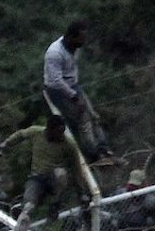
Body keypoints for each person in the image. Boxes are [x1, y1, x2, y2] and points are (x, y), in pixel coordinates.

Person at [43, 22, 112, 161]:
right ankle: (95, 156)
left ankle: (104, 148)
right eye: (80, 38)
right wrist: (74, 97)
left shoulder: (75, 48)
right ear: (70, 37)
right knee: (82, 121)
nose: (83, 42)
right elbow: (55, 80)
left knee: (93, 116)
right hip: (58, 90)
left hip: (73, 85)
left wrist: (76, 91)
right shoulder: (54, 53)